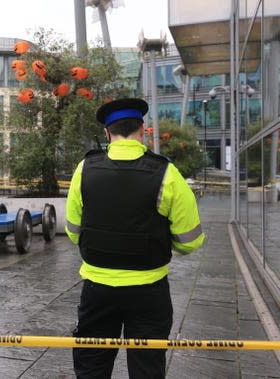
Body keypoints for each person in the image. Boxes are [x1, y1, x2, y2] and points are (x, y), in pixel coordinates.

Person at [65, 98, 205, 379]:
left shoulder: (85, 170)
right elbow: (189, 241)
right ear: (143, 130)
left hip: (97, 289)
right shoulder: (167, 173)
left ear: (107, 133)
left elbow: (73, 231)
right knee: (147, 366)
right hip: (149, 290)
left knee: (91, 365)